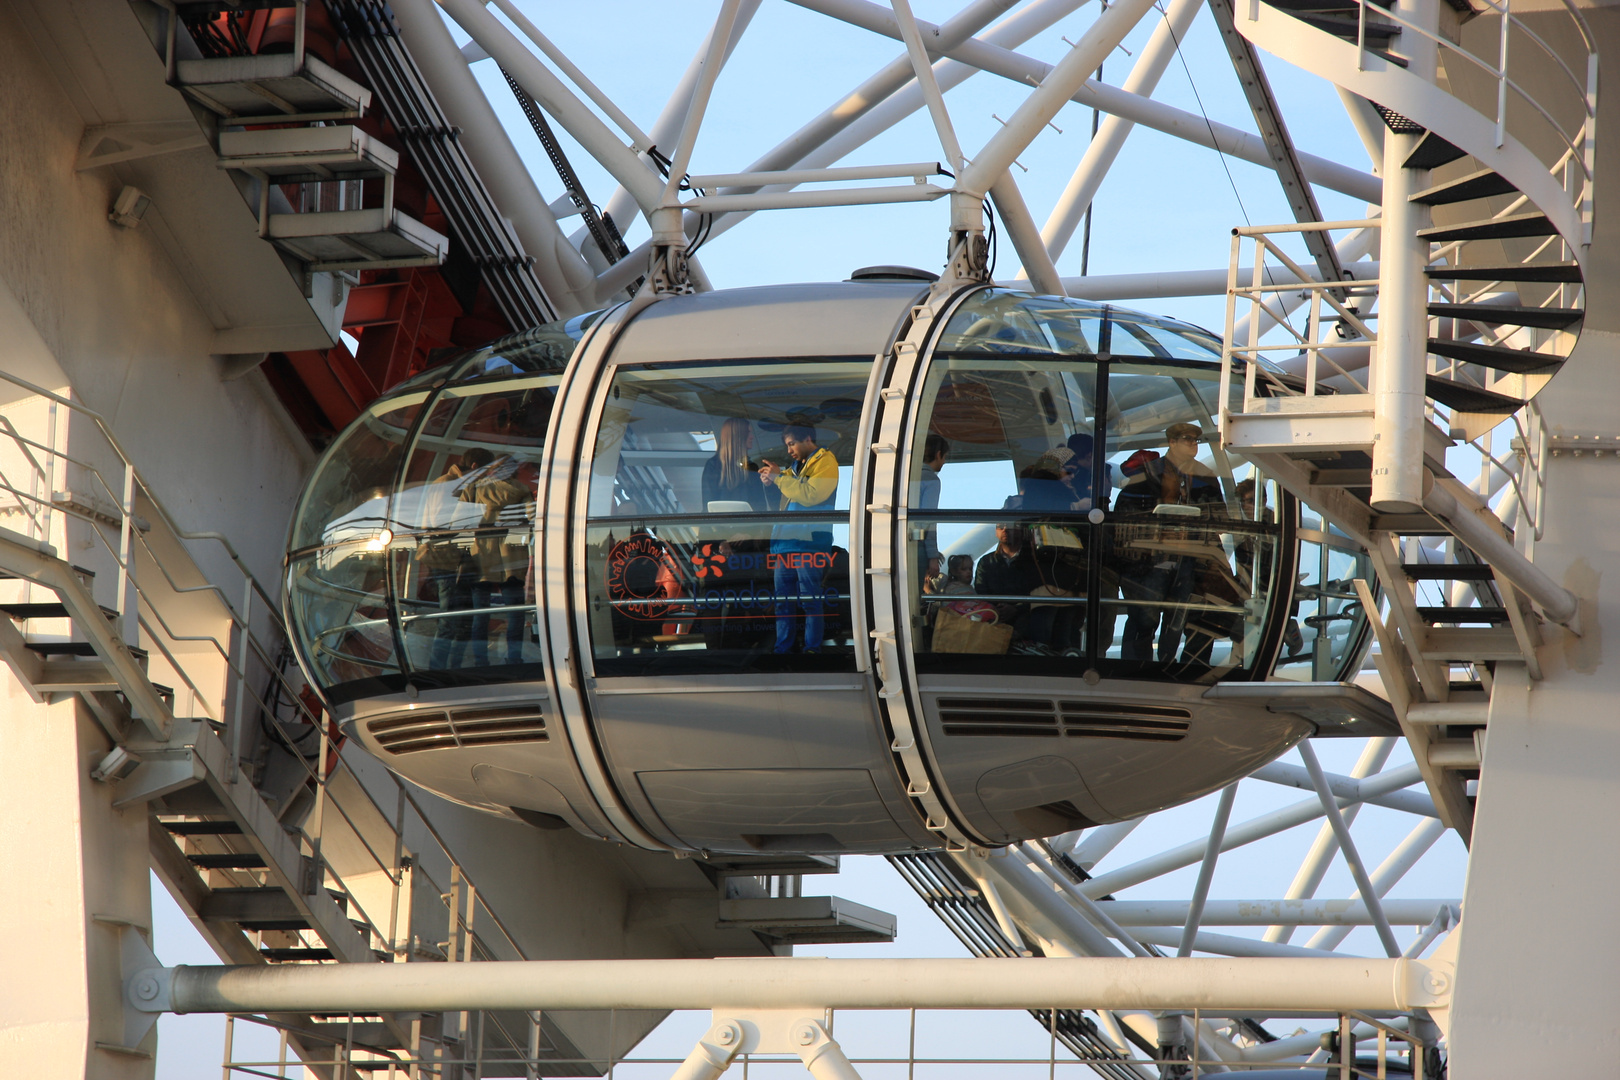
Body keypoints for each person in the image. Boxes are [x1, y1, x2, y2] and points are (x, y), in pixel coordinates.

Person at [1113, 422, 1224, 664]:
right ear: (1171, 442)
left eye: (1196, 440)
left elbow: (1221, 518)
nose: (1194, 444)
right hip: (1149, 559)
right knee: (1144, 617)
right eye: (1187, 439)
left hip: (1189, 558)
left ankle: (1166, 665)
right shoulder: (1149, 473)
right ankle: (1136, 669)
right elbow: (1124, 511)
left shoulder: (1206, 476)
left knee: (1179, 617)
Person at [761, 420, 838, 653]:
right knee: (783, 602)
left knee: (809, 599)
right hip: (785, 544)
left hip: (808, 544)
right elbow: (789, 487)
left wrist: (778, 478)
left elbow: (811, 495)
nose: (789, 450)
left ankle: (812, 649)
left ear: (807, 440)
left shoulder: (826, 461)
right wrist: (770, 479)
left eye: (792, 443)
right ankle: (783, 649)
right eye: (787, 445)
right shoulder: (796, 467)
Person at [973, 523, 1043, 639]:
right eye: (1000, 527)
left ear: (1021, 531)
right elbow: (981, 591)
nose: (1005, 530)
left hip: (1027, 620)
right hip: (992, 619)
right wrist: (996, 609)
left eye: (1010, 526)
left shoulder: (1034, 561)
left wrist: (1016, 608)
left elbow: (1039, 591)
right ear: (996, 532)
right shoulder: (986, 562)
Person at [702, 417, 770, 511]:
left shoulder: (752, 467)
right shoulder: (713, 466)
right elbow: (708, 507)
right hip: (722, 524)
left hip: (752, 524)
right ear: (739, 436)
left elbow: (761, 507)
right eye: (749, 432)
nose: (752, 437)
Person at [918, 432, 948, 583]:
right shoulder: (931, 479)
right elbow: (928, 519)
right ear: (938, 454)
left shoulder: (904, 476)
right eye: (944, 457)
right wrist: (933, 556)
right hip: (916, 544)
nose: (944, 462)